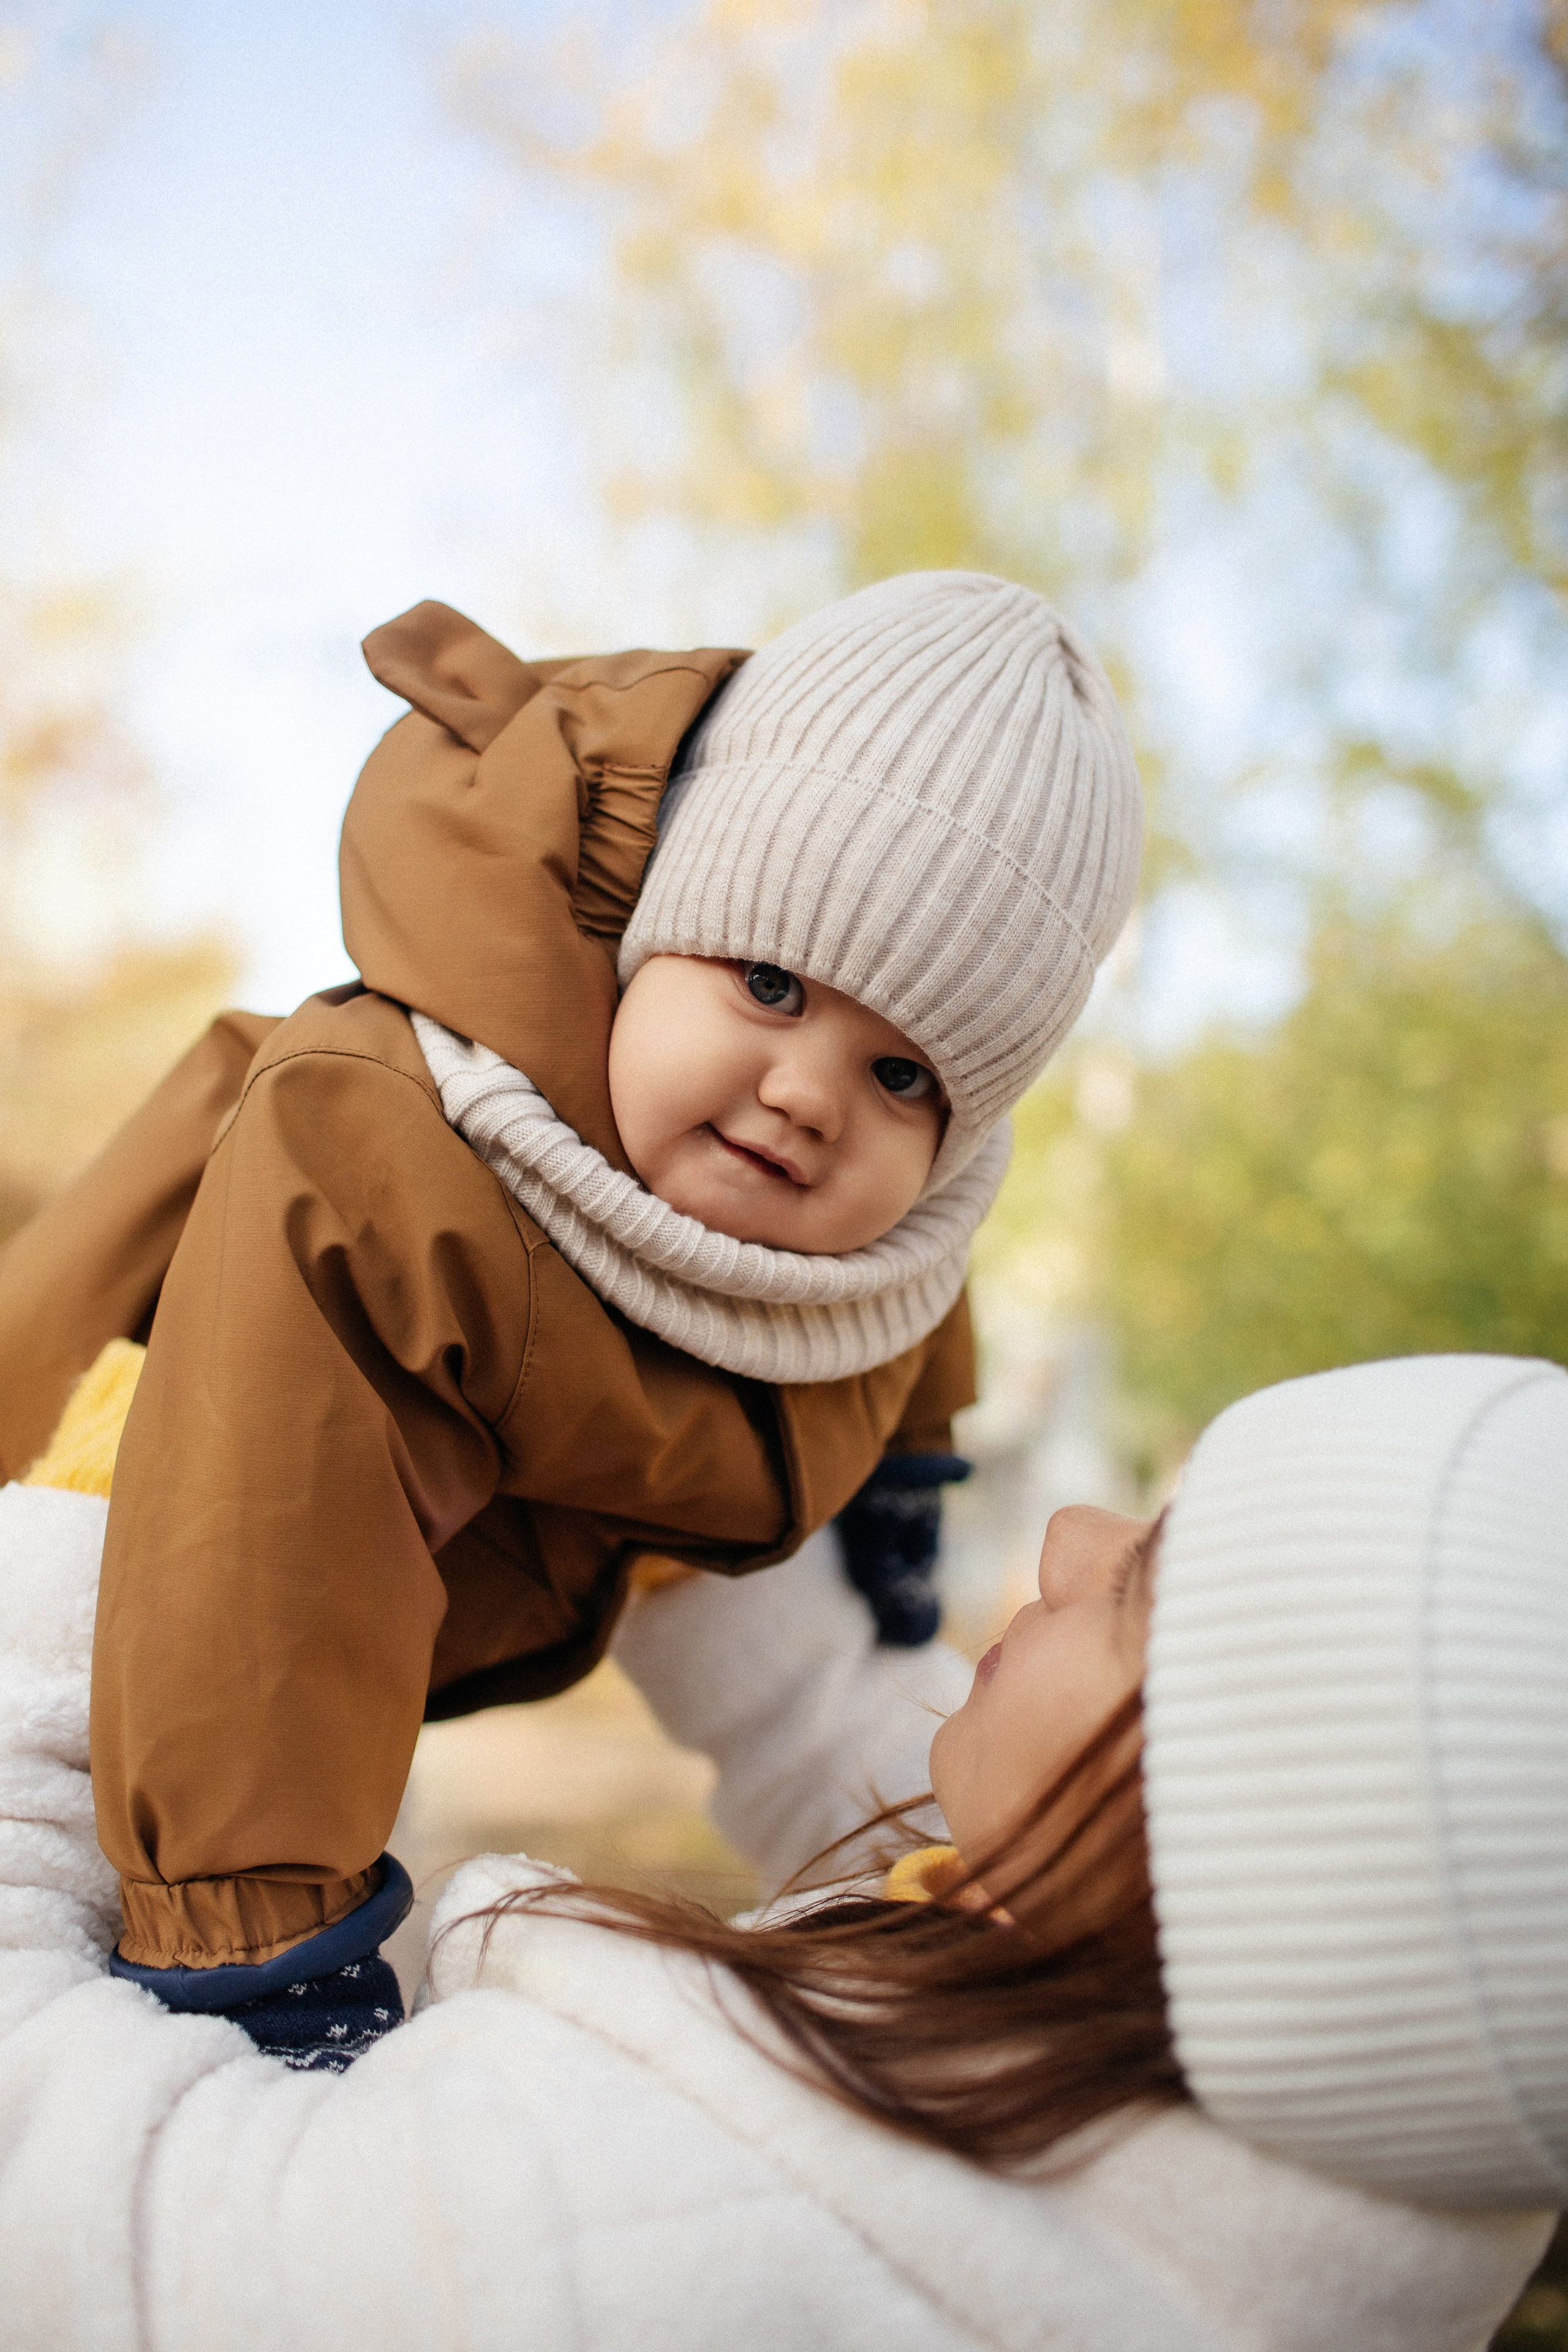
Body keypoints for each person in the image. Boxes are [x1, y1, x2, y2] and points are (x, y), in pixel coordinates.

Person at [0, 571, 1144, 2064]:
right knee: (148, 1797)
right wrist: (269, 1950)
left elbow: (919, 1284)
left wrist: (910, 1473)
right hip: (180, 1497)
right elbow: (258, 1573)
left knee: (830, 1667)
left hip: (557, 1494)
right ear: (646, 924)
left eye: (904, 1076)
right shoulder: (386, 1150)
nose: (806, 1096)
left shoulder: (853, 1225)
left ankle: (970, 1935)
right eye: (770, 981)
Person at [0, 1348, 1559, 2349]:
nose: (1070, 1543)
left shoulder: (669, 2249)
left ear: (1241, 1837)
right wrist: (693, 1503)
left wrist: (92, 1575)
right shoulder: (1236, 2126)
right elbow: (864, 1745)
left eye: (1145, 1587)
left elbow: (102, 2228)